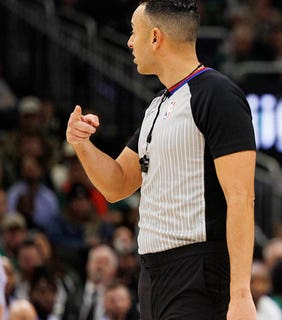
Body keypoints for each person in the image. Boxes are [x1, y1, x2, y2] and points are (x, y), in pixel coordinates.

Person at [64, 0, 257, 319]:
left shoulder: (217, 94)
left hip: (200, 272)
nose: (128, 42)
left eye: (133, 32)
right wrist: (81, 144)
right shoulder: (157, 105)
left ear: (155, 37)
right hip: (152, 273)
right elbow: (117, 185)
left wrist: (240, 294)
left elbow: (241, 198)